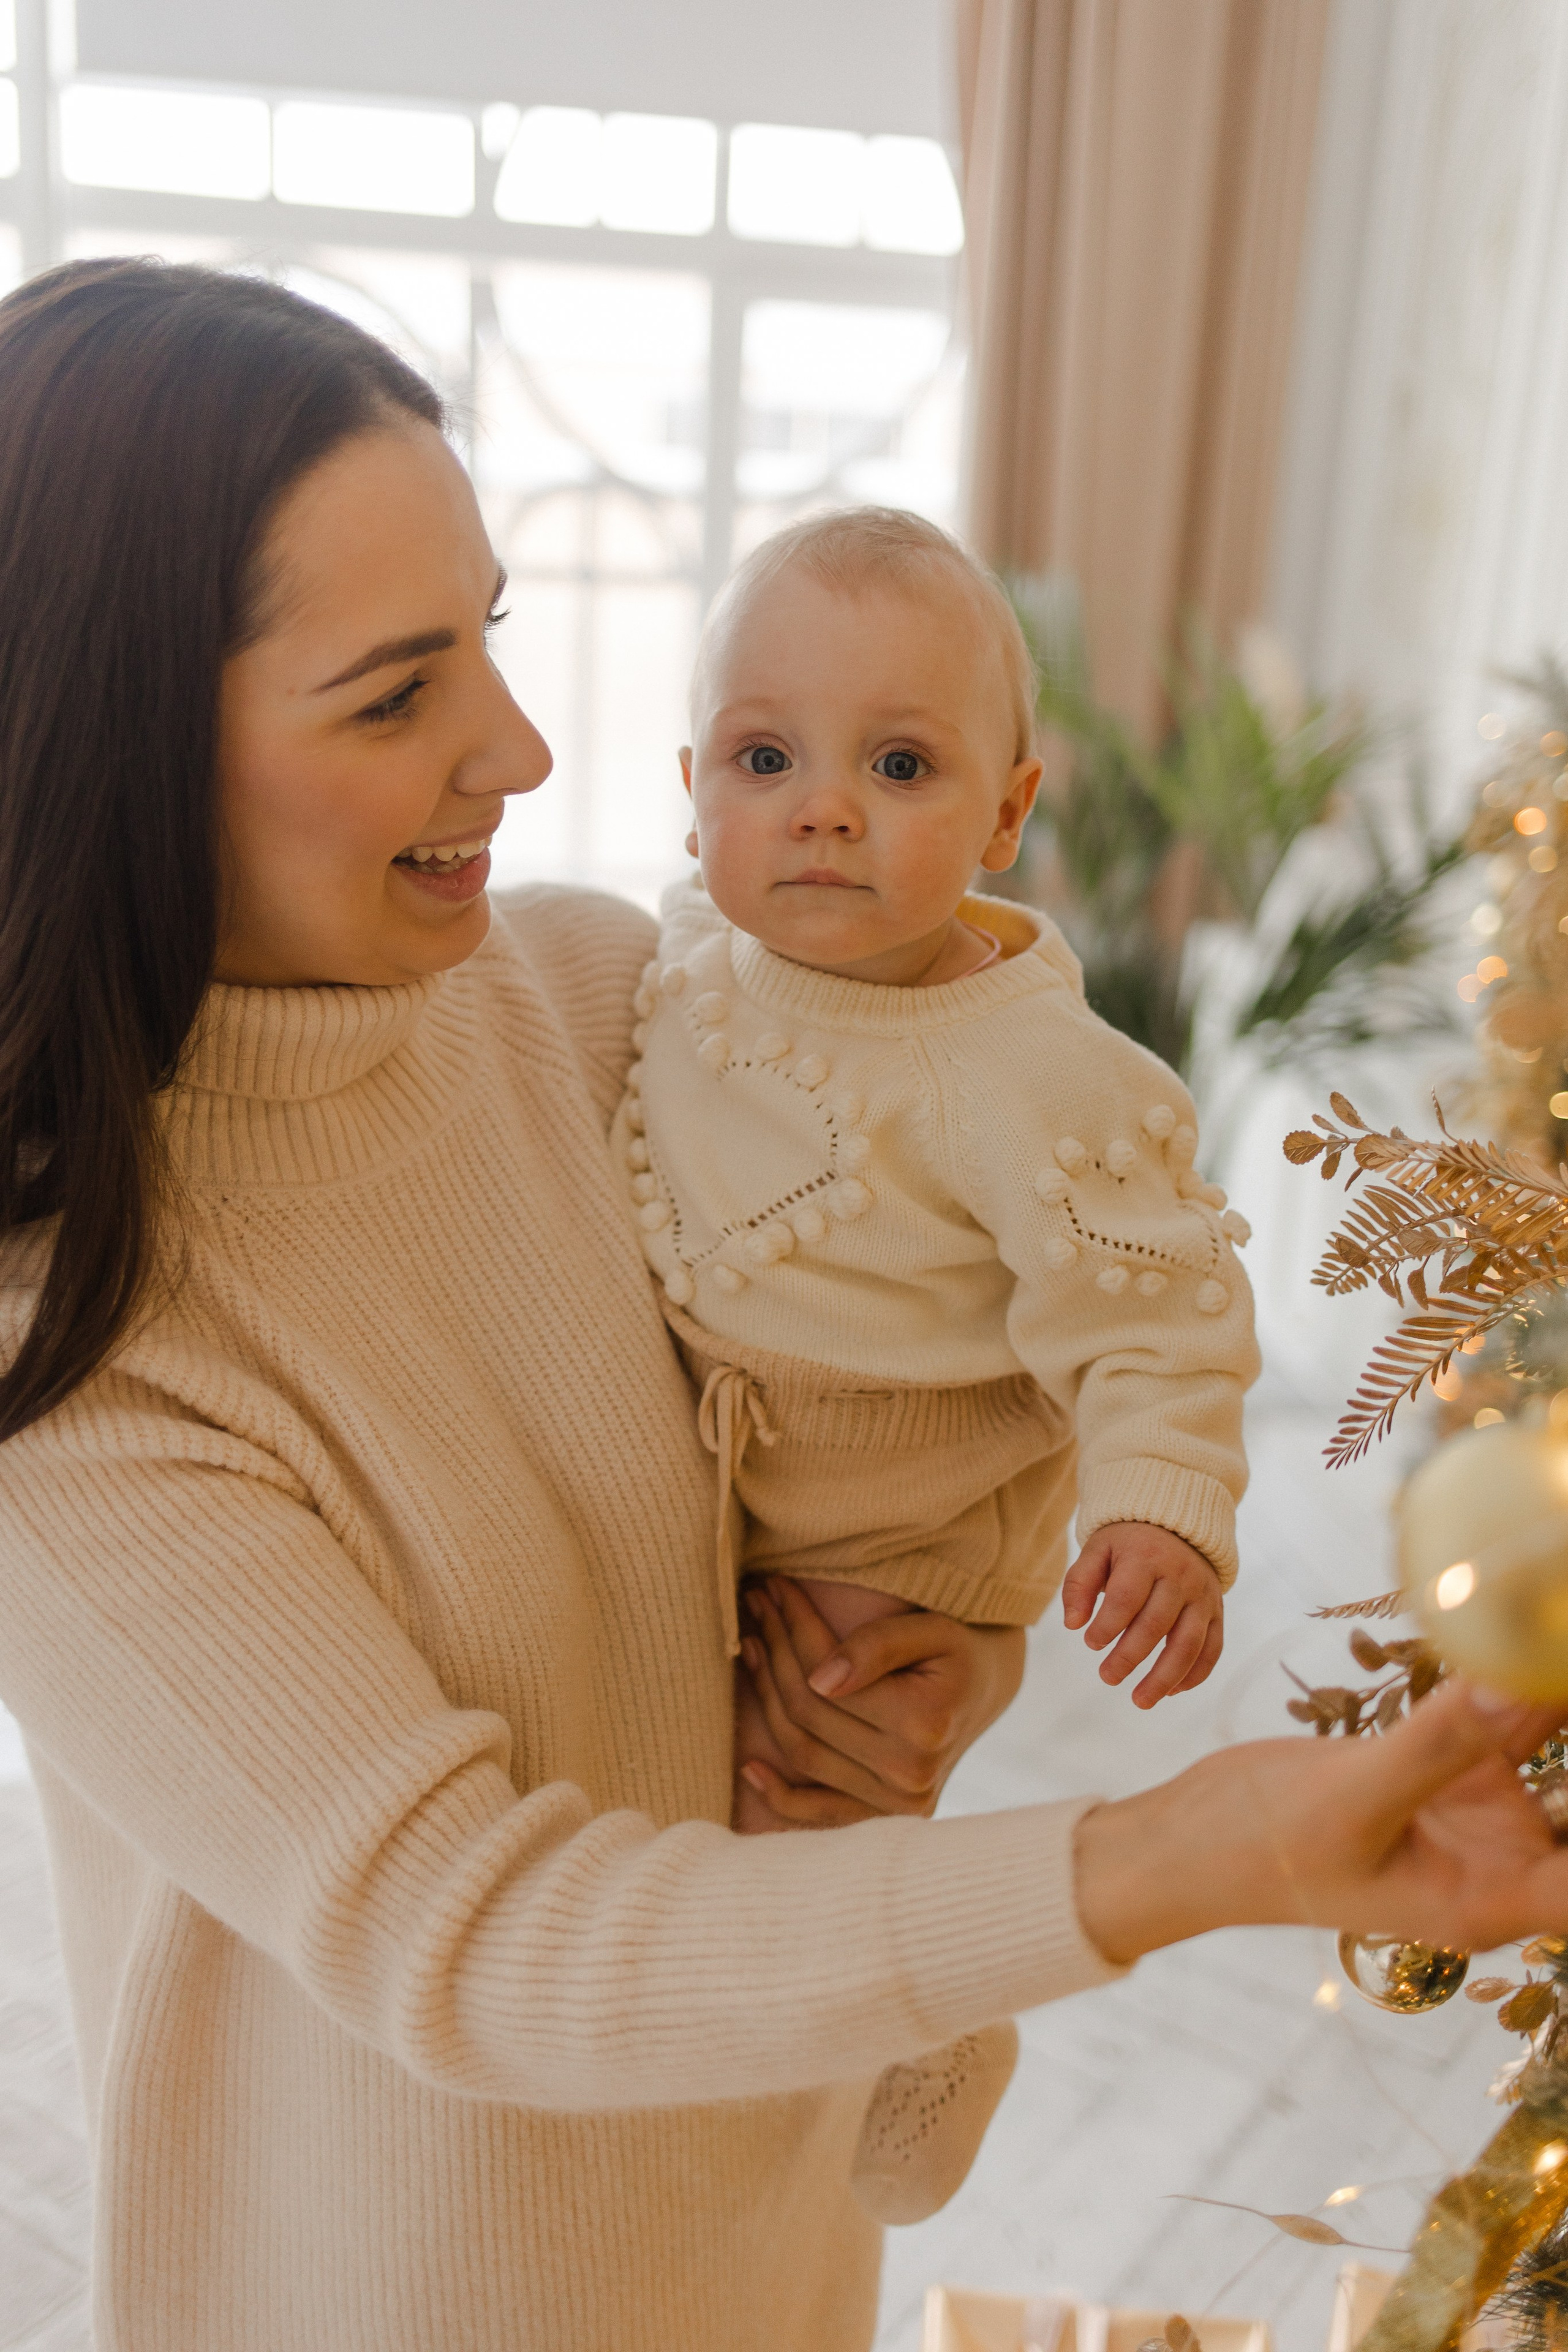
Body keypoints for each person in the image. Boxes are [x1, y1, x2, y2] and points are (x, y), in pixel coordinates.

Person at [0, 258, 1566, 2352]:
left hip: (768, 2268)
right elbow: (477, 1939)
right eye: (397, 695)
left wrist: (896, 1725)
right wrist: (1193, 1847)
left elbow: (876, 1471)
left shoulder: (603, 1004)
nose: (527, 748)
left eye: (491, 637)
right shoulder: (69, 1356)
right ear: (111, 756)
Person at [614, 506, 1261, 2217]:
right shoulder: (683, 957)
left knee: (808, 1793)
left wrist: (1164, 1508)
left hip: (904, 1508)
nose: (822, 807)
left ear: (1009, 810)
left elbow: (1158, 1313)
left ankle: (930, 2040)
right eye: (767, 756)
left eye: (900, 764)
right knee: (683, 1819)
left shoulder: (1043, 1078)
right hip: (736, 1478)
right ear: (694, 788)